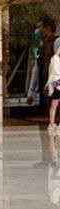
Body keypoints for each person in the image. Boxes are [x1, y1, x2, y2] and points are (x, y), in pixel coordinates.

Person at [45, 35, 60, 166]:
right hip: (57, 85)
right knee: (54, 105)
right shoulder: (55, 58)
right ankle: (52, 123)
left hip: (57, 84)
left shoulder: (56, 58)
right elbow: (55, 73)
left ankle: (54, 122)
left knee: (55, 105)